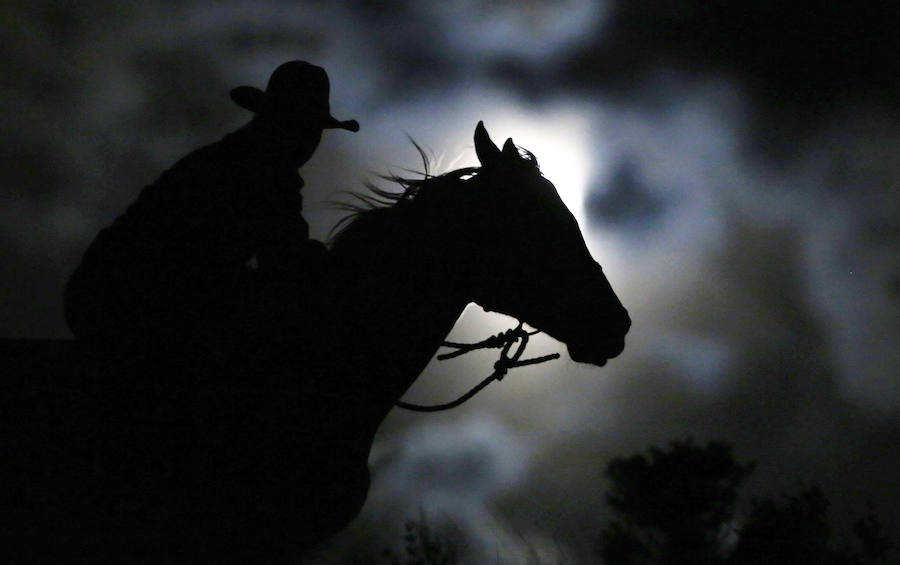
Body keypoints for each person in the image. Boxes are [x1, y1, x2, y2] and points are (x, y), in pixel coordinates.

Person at [64, 61, 358, 363]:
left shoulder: (226, 158)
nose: (309, 138)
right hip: (130, 302)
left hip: (100, 294)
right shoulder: (265, 172)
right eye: (304, 125)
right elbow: (285, 263)